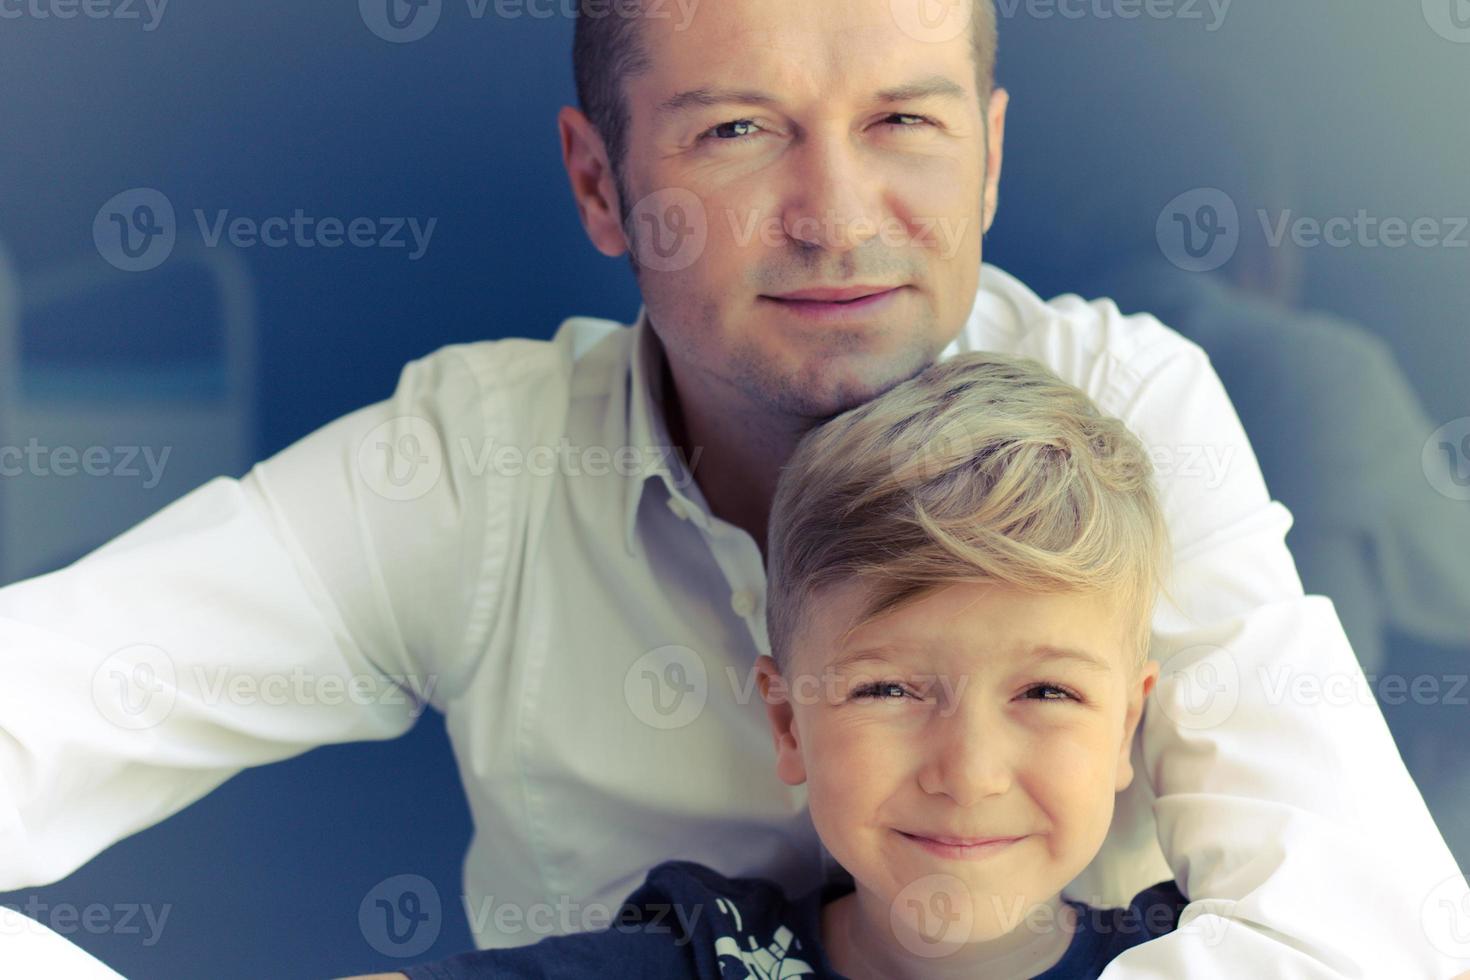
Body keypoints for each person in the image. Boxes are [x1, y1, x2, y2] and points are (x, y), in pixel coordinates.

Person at [2, 1, 1465, 977]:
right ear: (596, 182)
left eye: (904, 122)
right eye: (735, 131)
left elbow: (1374, 936)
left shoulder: (1128, 415)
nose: (836, 218)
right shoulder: (469, 470)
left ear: (990, 158)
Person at [348, 350, 1191, 980]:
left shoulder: (1199, 958)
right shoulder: (713, 958)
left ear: (1126, 726)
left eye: (1048, 691)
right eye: (888, 688)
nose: (969, 774)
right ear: (788, 719)